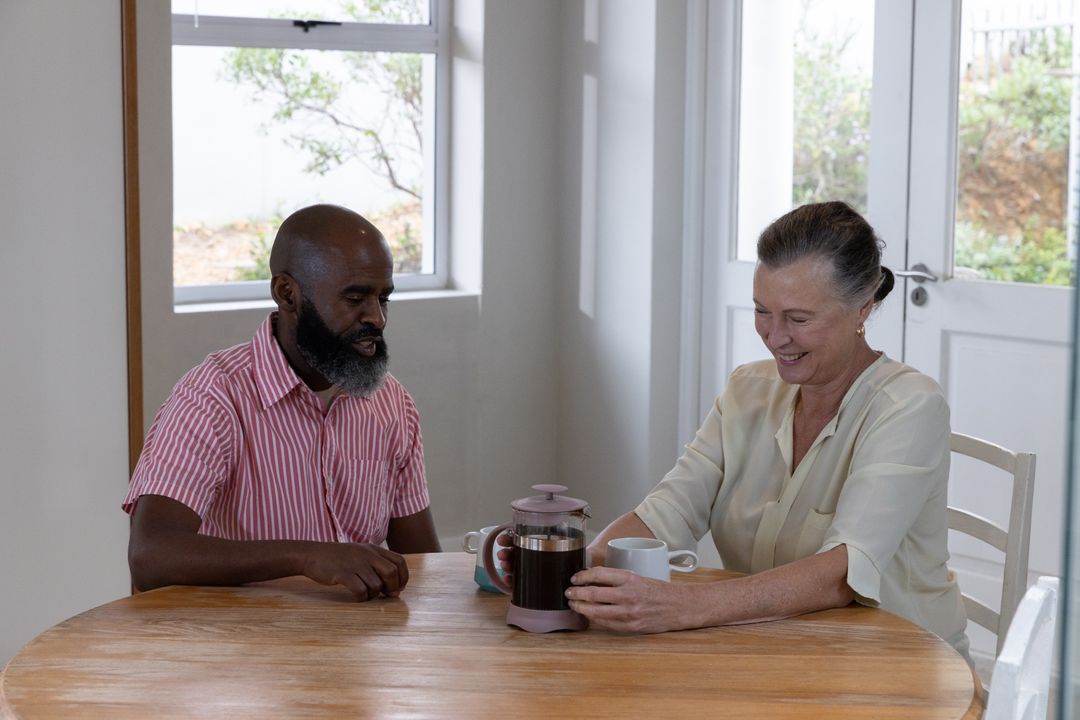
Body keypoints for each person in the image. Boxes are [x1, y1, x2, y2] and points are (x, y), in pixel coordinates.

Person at [562, 201, 970, 662]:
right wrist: (573, 566)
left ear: (863, 308)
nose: (775, 337)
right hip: (777, 651)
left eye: (798, 319)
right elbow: (669, 511)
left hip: (900, 663)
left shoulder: (909, 407)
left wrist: (682, 606)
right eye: (762, 312)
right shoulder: (747, 390)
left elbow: (842, 573)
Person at [124, 204, 440, 601]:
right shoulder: (214, 397)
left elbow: (424, 561)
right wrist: (306, 557)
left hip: (359, 653)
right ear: (287, 294)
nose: (376, 317)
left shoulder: (392, 403)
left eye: (384, 298)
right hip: (244, 652)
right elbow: (152, 554)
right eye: (355, 297)